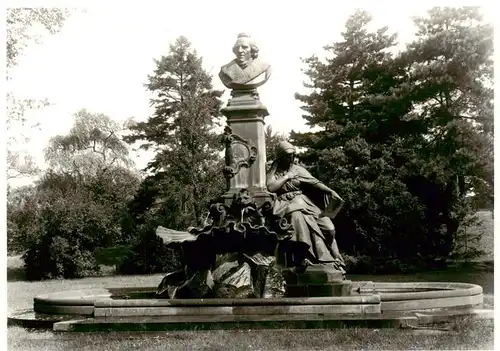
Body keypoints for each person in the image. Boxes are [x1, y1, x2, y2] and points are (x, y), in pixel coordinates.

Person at [266, 141, 346, 272]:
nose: (291, 158)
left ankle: (336, 257)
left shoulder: (298, 169)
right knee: (298, 218)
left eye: (292, 155)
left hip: (304, 202)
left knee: (329, 228)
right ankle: (305, 257)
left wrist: (329, 191)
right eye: (287, 155)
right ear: (280, 156)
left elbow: (314, 182)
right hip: (287, 203)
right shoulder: (273, 172)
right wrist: (287, 177)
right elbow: (271, 187)